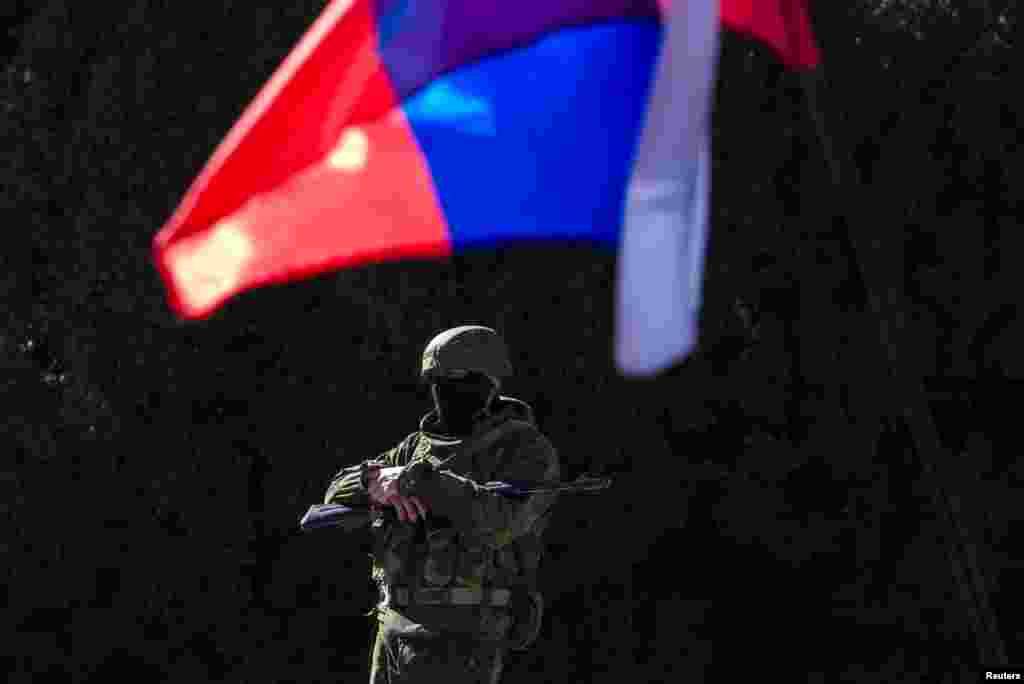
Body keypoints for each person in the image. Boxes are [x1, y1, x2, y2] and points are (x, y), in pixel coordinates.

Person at [324, 325, 561, 683]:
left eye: (455, 381)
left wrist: (419, 483)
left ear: (489, 383)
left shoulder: (523, 450)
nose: (443, 394)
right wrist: (374, 482)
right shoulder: (414, 447)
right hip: (393, 629)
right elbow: (333, 497)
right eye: (436, 383)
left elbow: (498, 522)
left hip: (462, 640)